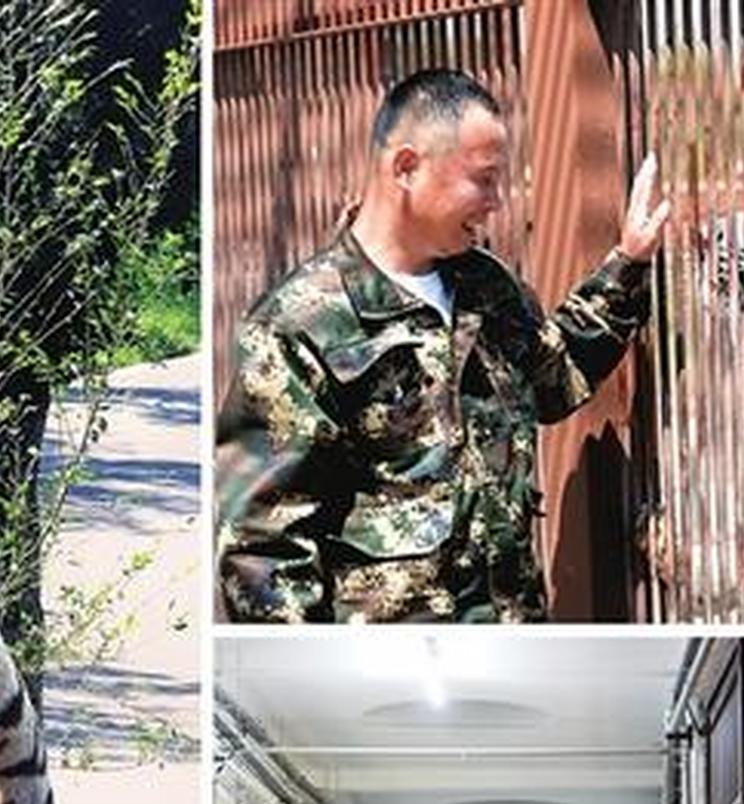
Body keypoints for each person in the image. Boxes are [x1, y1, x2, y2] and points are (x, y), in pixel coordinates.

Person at [215, 67, 671, 624]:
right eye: (483, 179)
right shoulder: (300, 325)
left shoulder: (486, 287)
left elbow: (554, 378)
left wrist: (628, 264)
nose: (497, 201)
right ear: (406, 167)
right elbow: (263, 548)